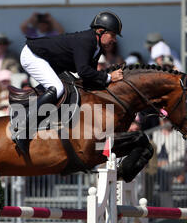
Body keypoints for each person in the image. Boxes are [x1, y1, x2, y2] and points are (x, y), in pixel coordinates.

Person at [14, 11, 125, 154]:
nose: (114, 40)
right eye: (113, 35)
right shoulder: (87, 41)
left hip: (50, 60)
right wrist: (109, 78)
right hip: (32, 55)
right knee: (57, 88)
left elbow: (88, 77)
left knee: (70, 86)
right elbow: (84, 71)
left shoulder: (97, 47)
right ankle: (23, 131)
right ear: (100, 31)